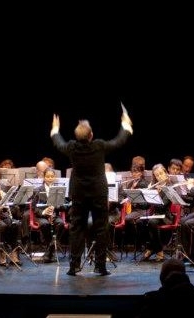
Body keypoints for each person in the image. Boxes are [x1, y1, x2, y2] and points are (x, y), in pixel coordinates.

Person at [50, 105, 133, 276]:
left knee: (76, 228)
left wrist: (55, 129)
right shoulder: (99, 146)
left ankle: (73, 266)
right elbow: (118, 141)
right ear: (91, 135)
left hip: (79, 193)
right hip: (98, 193)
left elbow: (58, 143)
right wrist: (126, 125)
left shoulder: (72, 147)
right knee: (101, 228)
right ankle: (100, 266)